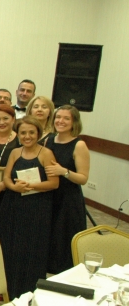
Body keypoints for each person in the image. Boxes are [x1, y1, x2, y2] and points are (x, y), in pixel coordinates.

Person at [0, 116, 59, 298]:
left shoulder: (46, 153)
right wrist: (14, 187)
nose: (27, 136)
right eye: (23, 133)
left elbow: (54, 183)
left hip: (37, 208)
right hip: (13, 205)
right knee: (11, 247)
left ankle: (30, 292)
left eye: (31, 132)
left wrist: (31, 186)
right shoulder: (15, 152)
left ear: (38, 134)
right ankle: (9, 289)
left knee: (32, 248)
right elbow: (6, 177)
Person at [45, 105, 90, 274]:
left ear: (74, 122)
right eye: (58, 117)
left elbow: (83, 178)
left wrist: (63, 171)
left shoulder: (79, 145)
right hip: (50, 197)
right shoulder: (49, 140)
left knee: (64, 243)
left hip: (68, 201)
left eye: (66, 118)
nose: (60, 121)